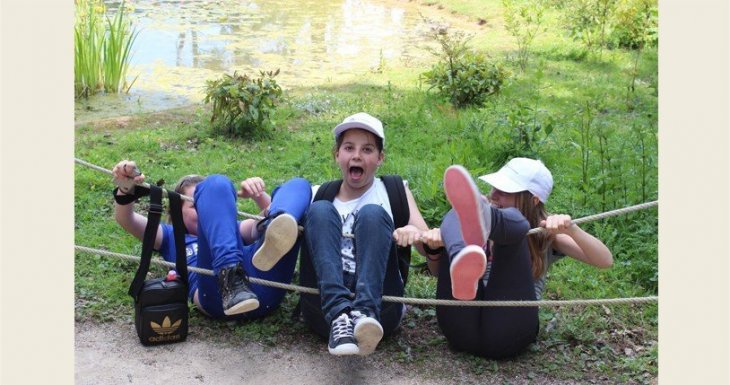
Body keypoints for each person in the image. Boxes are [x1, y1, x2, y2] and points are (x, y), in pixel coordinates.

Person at [420, 158, 613, 358]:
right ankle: (462, 250)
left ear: (533, 199)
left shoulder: (545, 231)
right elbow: (436, 273)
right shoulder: (473, 216)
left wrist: (572, 229)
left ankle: (487, 224)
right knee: (457, 212)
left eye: (504, 191)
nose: (493, 194)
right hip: (460, 328)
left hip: (508, 332)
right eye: (494, 187)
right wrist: (435, 250)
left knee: (516, 227)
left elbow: (605, 260)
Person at [297, 112, 442, 356]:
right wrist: (259, 195)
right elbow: (277, 223)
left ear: (380, 158)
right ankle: (339, 314)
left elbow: (433, 262)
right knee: (320, 211)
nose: (356, 155)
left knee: (373, 214)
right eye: (349, 147)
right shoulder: (318, 194)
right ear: (337, 155)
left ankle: (364, 311)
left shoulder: (394, 192)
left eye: (367, 149)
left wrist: (415, 232)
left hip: (379, 314)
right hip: (323, 312)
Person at [112, 160, 311, 319]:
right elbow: (126, 219)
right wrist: (125, 188)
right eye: (196, 205)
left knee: (298, 186)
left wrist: (259, 196)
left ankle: (276, 217)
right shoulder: (170, 237)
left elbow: (272, 231)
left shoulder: (234, 228)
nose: (206, 212)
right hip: (217, 297)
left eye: (210, 205)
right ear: (177, 213)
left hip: (265, 291)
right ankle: (229, 274)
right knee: (216, 183)